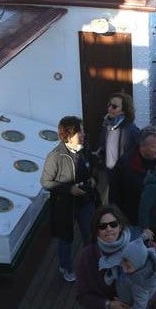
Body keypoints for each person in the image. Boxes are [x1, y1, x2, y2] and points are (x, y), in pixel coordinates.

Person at [40, 116, 100, 283]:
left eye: (82, 130)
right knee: (66, 239)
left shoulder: (85, 150)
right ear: (67, 135)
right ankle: (65, 267)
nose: (83, 134)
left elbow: (94, 168)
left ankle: (91, 264)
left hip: (85, 202)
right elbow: (45, 182)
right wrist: (69, 189)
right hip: (65, 207)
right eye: (79, 131)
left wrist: (94, 179)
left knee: (90, 235)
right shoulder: (55, 157)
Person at [95, 226, 156, 309]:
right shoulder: (142, 256)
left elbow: (140, 303)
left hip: (131, 304)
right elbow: (137, 243)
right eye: (123, 263)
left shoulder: (140, 283)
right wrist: (143, 236)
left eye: (128, 267)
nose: (124, 268)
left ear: (138, 266)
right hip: (132, 293)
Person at [110, 126, 156, 222]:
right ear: (141, 146)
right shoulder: (125, 164)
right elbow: (114, 193)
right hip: (133, 218)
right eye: (154, 147)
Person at [96, 94, 140, 184]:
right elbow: (103, 145)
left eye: (114, 106)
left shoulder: (131, 130)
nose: (110, 109)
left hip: (126, 178)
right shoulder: (108, 126)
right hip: (111, 175)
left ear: (124, 111)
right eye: (109, 105)